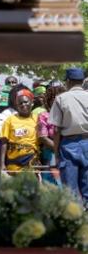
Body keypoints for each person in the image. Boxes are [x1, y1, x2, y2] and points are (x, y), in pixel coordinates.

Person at [50, 68, 88, 202]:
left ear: (68, 81)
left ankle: (74, 219)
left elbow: (56, 130)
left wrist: (55, 154)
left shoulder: (61, 99)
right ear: (82, 81)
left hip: (69, 145)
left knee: (70, 191)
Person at [0, 90, 39, 174]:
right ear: (16, 106)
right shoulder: (10, 120)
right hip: (13, 163)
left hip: (31, 161)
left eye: (25, 102)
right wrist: (2, 164)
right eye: (20, 103)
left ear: (31, 102)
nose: (23, 105)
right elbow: (4, 142)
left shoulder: (38, 119)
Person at [38, 83, 66, 185]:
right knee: (51, 184)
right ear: (49, 100)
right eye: (54, 98)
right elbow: (43, 138)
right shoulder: (44, 116)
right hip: (50, 154)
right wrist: (58, 148)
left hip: (67, 152)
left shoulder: (67, 114)